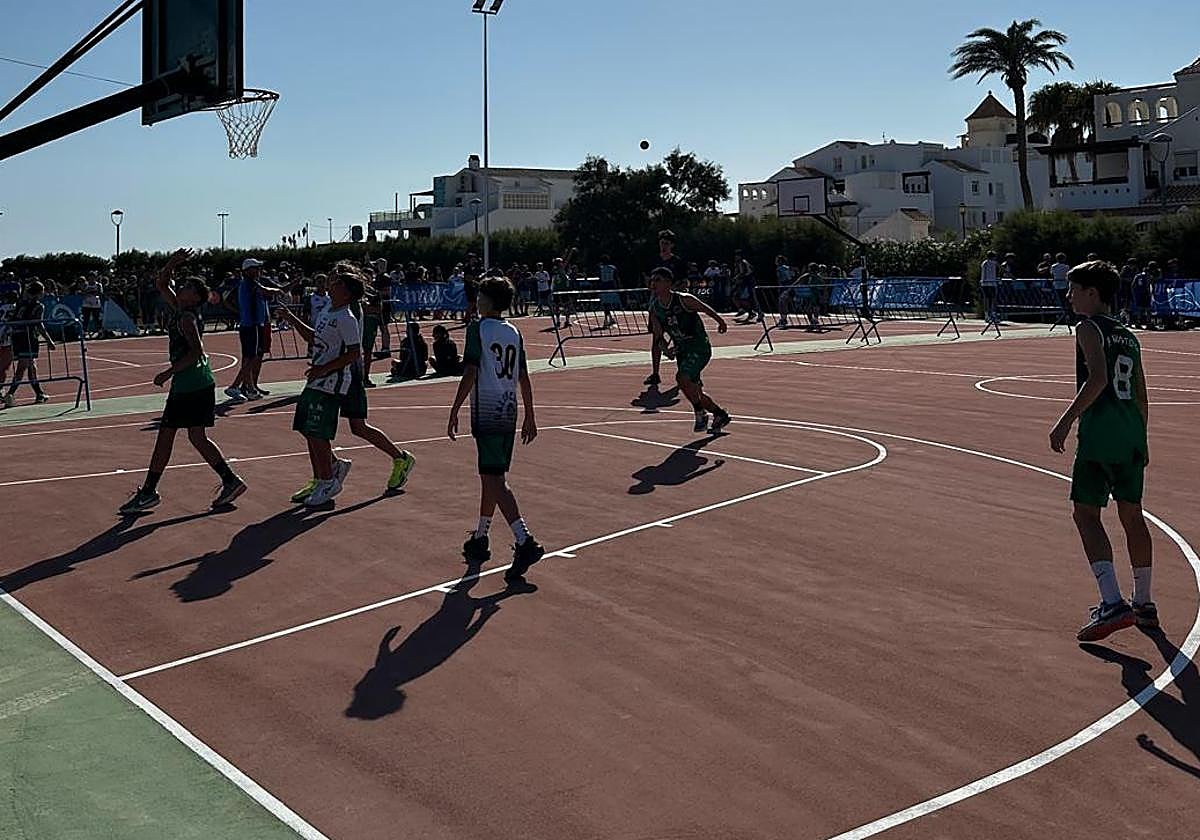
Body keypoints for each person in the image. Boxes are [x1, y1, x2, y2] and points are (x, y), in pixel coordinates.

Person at [1048, 260, 1154, 642]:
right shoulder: (1128, 335)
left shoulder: (1088, 328)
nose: (1068, 295)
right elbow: (1142, 394)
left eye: (1074, 289)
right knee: (1132, 516)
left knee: (1086, 514)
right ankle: (1143, 601)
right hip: (1129, 434)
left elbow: (1098, 378)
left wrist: (1065, 420)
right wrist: (1141, 438)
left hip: (1101, 435)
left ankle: (1111, 601)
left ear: (1092, 293)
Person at [118, 250, 247, 514]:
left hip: (190, 383)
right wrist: (173, 262)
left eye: (188, 286)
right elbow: (161, 283)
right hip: (198, 382)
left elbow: (196, 351)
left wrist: (168, 372)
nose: (183, 287)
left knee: (167, 436)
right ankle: (230, 480)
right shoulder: (180, 307)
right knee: (197, 437)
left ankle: (149, 492)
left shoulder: (187, 317)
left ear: (196, 297)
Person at [279, 263, 417, 505]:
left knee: (350, 426)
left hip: (345, 373)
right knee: (316, 425)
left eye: (336, 279)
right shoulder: (331, 308)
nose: (331, 281)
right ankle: (325, 473)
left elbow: (351, 348)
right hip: (330, 370)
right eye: (332, 277)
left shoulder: (348, 310)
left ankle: (395, 458)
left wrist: (327, 368)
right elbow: (319, 335)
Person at [447, 275, 543, 583]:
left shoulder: (478, 330)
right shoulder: (513, 331)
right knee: (492, 477)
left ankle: (525, 540)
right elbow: (524, 376)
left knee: (495, 480)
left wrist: (455, 407)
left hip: (487, 410)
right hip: (509, 408)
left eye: (480, 295)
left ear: (487, 300)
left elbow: (471, 371)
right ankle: (481, 537)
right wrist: (530, 414)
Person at [648, 266, 731, 434]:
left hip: (699, 347)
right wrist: (666, 350)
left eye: (658, 280)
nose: (653, 284)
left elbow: (705, 308)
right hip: (682, 351)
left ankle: (700, 412)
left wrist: (720, 321)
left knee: (681, 378)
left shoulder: (684, 300)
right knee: (693, 389)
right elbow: (658, 337)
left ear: (669, 283)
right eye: (652, 280)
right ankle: (720, 414)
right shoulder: (655, 309)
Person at [226, 258, 273, 403]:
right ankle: (235, 386)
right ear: (247, 270)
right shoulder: (248, 284)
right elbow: (268, 291)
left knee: (251, 358)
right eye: (255, 268)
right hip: (250, 325)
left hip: (254, 324)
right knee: (250, 358)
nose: (259, 270)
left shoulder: (252, 284)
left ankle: (250, 388)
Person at [645, 230, 688, 387]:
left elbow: (684, 282)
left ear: (672, 245)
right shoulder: (654, 261)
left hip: (673, 303)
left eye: (667, 243)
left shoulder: (678, 262)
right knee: (656, 337)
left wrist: (673, 290)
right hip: (656, 303)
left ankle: (683, 372)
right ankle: (655, 373)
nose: (663, 246)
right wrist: (653, 290)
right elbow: (648, 279)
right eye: (662, 243)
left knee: (679, 337)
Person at [3, 281, 55, 407]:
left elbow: (11, 319)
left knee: (32, 365)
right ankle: (10, 394)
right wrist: (49, 340)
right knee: (22, 367)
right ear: (38, 293)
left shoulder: (21, 304)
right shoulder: (38, 306)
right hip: (28, 337)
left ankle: (39, 393)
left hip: (17, 336)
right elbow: (39, 324)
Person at [979, 251, 1000, 321]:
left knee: (992, 299)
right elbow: (984, 273)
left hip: (991, 283)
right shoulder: (985, 263)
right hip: (987, 284)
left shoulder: (992, 263)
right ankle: (987, 315)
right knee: (987, 300)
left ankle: (992, 314)